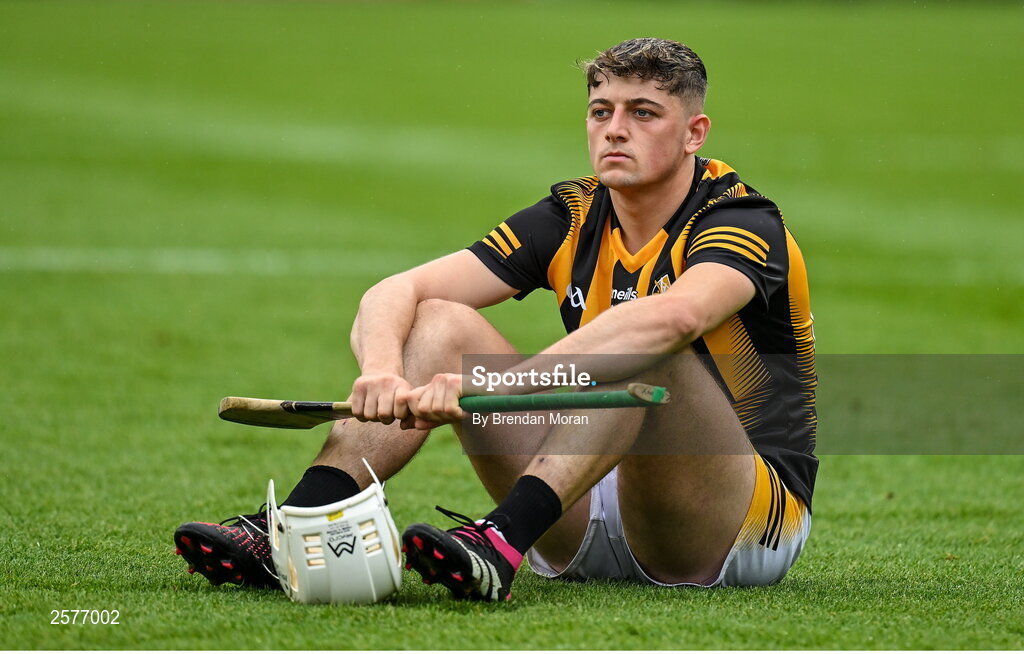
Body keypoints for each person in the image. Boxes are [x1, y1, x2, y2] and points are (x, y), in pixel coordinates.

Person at [174, 37, 817, 601]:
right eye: (601, 112)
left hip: (729, 527)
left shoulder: (741, 219)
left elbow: (675, 318)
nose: (615, 130)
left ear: (694, 133)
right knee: (438, 323)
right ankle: (292, 525)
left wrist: (500, 388)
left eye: (643, 113)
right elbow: (397, 289)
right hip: (575, 508)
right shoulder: (572, 211)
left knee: (650, 352)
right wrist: (380, 372)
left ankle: (498, 542)